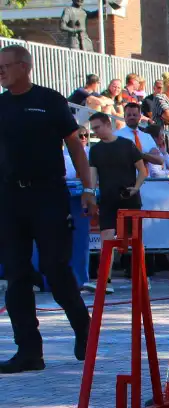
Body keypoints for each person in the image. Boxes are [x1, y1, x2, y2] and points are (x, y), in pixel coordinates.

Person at [0, 44, 95, 372]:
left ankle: (84, 329)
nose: (1, 72)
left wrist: (87, 189)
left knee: (55, 268)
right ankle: (29, 351)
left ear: (24, 67)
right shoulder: (0, 105)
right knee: (16, 275)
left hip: (48, 196)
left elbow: (76, 147)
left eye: (6, 66)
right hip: (11, 199)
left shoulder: (48, 100)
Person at [88, 111, 147, 294]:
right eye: (93, 128)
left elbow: (142, 171)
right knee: (106, 239)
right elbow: (92, 175)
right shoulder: (95, 150)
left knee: (134, 240)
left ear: (108, 124)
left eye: (97, 127)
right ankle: (105, 279)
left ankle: (142, 277)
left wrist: (136, 188)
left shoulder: (127, 145)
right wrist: (89, 192)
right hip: (107, 199)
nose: (95, 131)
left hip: (129, 199)